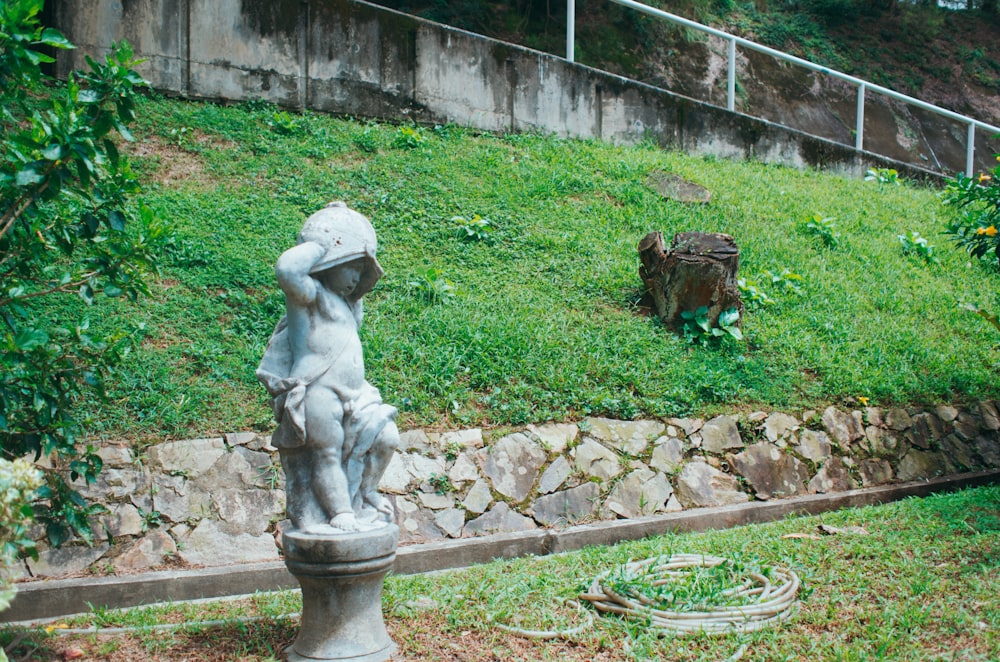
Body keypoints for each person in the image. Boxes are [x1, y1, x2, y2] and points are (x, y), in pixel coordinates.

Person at [257, 202, 398, 534]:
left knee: (386, 437)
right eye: (352, 267)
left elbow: (357, 298)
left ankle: (366, 492)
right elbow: (288, 271)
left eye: (363, 272)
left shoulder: (348, 303)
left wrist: (359, 264)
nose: (356, 279)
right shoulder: (309, 295)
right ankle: (339, 513)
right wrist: (322, 244)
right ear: (330, 263)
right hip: (320, 388)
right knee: (327, 453)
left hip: (357, 393)